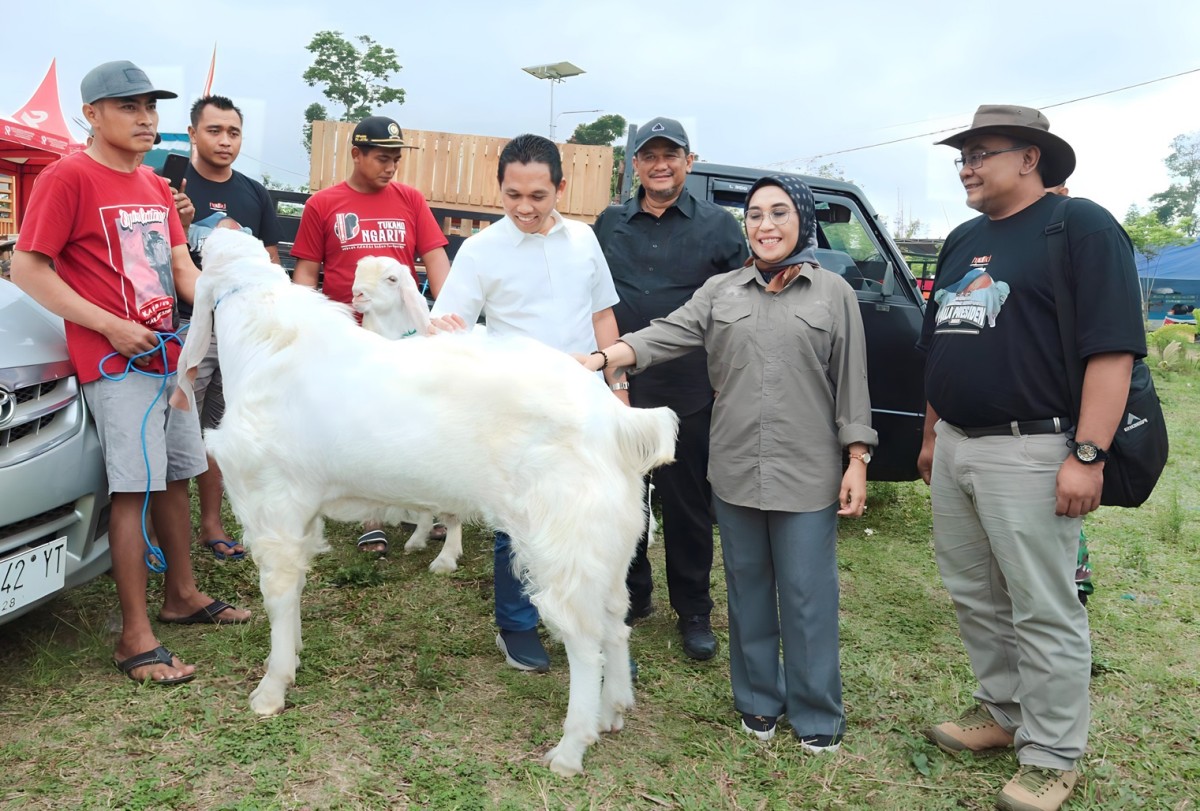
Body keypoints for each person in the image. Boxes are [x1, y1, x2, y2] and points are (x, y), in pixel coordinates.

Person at [580, 173, 875, 752]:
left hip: (806, 473)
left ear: (803, 221)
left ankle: (816, 713)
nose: (766, 225)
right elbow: (666, 334)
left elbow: (853, 383)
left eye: (780, 213)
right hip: (736, 469)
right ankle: (759, 703)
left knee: (808, 596)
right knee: (747, 590)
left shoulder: (832, 293)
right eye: (756, 215)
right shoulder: (722, 292)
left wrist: (856, 458)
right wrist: (604, 356)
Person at [916, 105, 1144, 811]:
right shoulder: (961, 239)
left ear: (1030, 158)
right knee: (974, 593)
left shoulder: (1080, 227)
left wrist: (1087, 453)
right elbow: (941, 343)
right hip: (956, 443)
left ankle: (1051, 753)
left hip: (1034, 446)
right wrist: (930, 434)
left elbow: (1111, 349)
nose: (967, 166)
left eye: (981, 152)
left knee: (1043, 605)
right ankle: (1003, 711)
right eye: (962, 155)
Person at [10, 60, 250, 686]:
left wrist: (226, 303)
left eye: (151, 106)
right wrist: (109, 325)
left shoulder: (151, 185)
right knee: (133, 488)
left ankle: (183, 595)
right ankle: (134, 637)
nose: (146, 118)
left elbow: (178, 267)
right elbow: (29, 270)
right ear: (91, 114)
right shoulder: (69, 177)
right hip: (116, 363)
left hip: (168, 356)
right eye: (128, 107)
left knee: (177, 474)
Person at [430, 133, 622, 673]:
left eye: (538, 195)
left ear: (560, 188)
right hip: (515, 407)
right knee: (518, 517)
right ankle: (516, 625)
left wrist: (617, 385)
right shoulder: (480, 250)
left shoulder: (584, 240)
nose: (525, 207)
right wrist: (440, 331)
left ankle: (579, 617)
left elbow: (603, 315)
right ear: (500, 191)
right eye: (513, 195)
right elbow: (451, 326)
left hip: (584, 399)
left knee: (581, 512)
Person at [592, 117, 748, 660]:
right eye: (649, 155)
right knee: (624, 499)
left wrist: (729, 381)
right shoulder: (608, 224)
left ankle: (695, 610)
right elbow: (590, 298)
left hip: (691, 392)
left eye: (671, 155)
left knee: (687, 508)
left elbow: (742, 307)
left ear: (689, 160)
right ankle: (633, 596)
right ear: (634, 164)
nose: (660, 164)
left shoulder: (720, 228)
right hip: (619, 390)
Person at [290, 115, 451, 554]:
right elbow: (306, 270)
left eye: (396, 158)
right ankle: (371, 516)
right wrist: (302, 323)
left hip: (401, 335)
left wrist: (447, 314)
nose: (391, 167)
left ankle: (423, 507)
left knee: (412, 416)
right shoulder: (324, 205)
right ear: (356, 154)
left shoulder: (410, 200)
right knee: (361, 422)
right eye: (382, 158)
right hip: (347, 336)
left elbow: (435, 257)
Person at [176, 94, 284, 561]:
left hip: (240, 334)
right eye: (215, 130)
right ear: (193, 133)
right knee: (179, 429)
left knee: (222, 427)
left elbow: (271, 260)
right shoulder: (170, 184)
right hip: (186, 329)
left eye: (234, 132)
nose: (225, 141)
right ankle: (166, 531)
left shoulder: (253, 193)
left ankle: (211, 525)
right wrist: (175, 223)